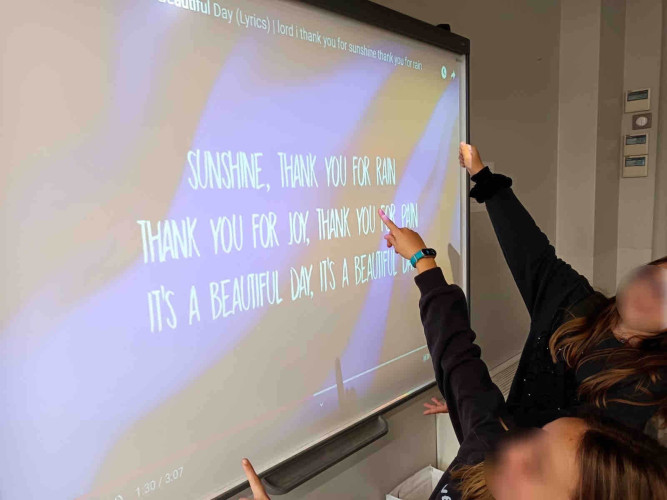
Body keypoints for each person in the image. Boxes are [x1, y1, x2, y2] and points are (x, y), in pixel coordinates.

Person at [236, 213, 667, 500]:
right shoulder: (491, 446)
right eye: (535, 437)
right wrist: (423, 263)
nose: (513, 447)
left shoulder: (645, 393)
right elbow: (460, 362)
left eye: (537, 467)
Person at [454, 142, 667, 431]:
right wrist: (481, 173)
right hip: (497, 442)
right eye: (655, 278)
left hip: (516, 454)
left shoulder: (647, 386)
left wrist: (482, 411)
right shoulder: (574, 300)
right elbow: (530, 251)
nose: (652, 293)